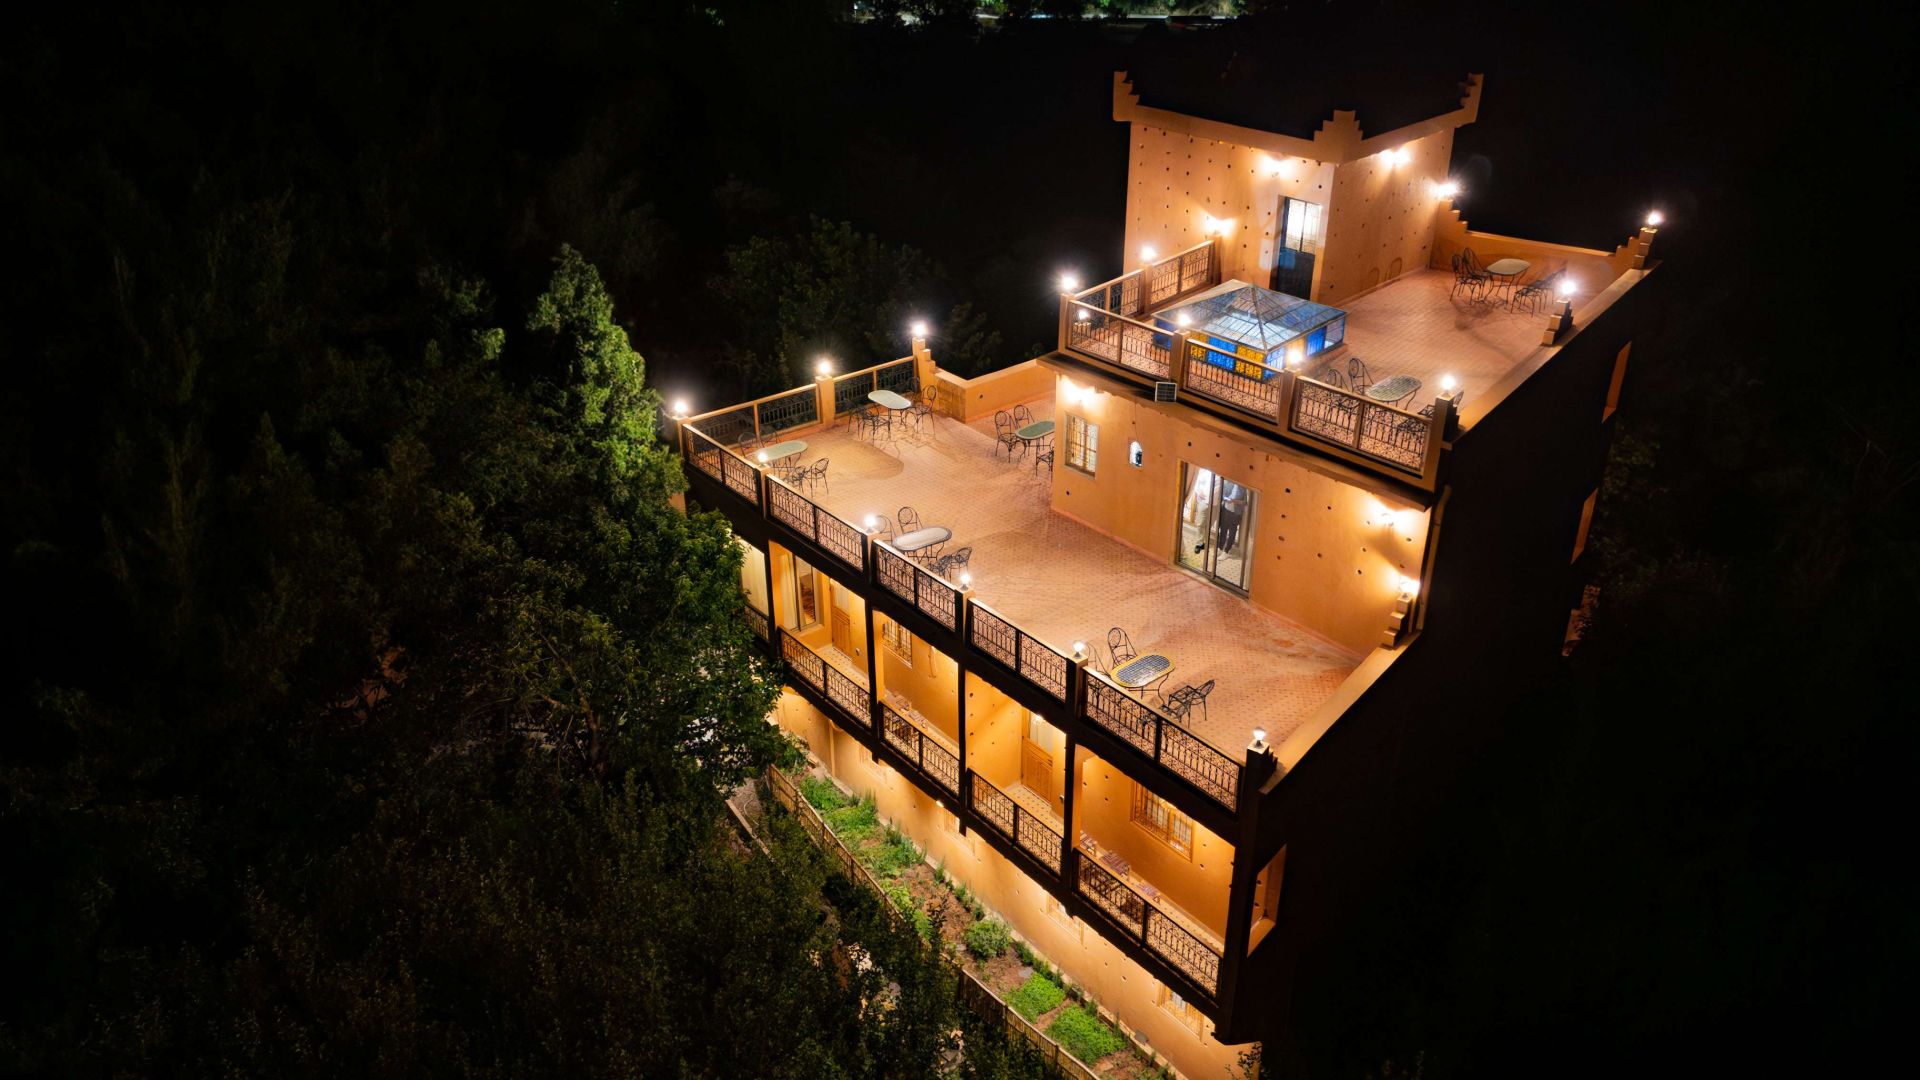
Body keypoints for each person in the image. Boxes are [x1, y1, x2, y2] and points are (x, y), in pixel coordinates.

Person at [1217, 481, 1245, 553]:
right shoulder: (1228, 483)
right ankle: (1220, 548)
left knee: (1232, 532)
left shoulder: (1243, 487)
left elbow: (1245, 502)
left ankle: (1227, 551)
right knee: (1223, 529)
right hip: (1226, 509)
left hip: (1236, 513)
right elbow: (1222, 495)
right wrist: (1226, 499)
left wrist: (1237, 501)